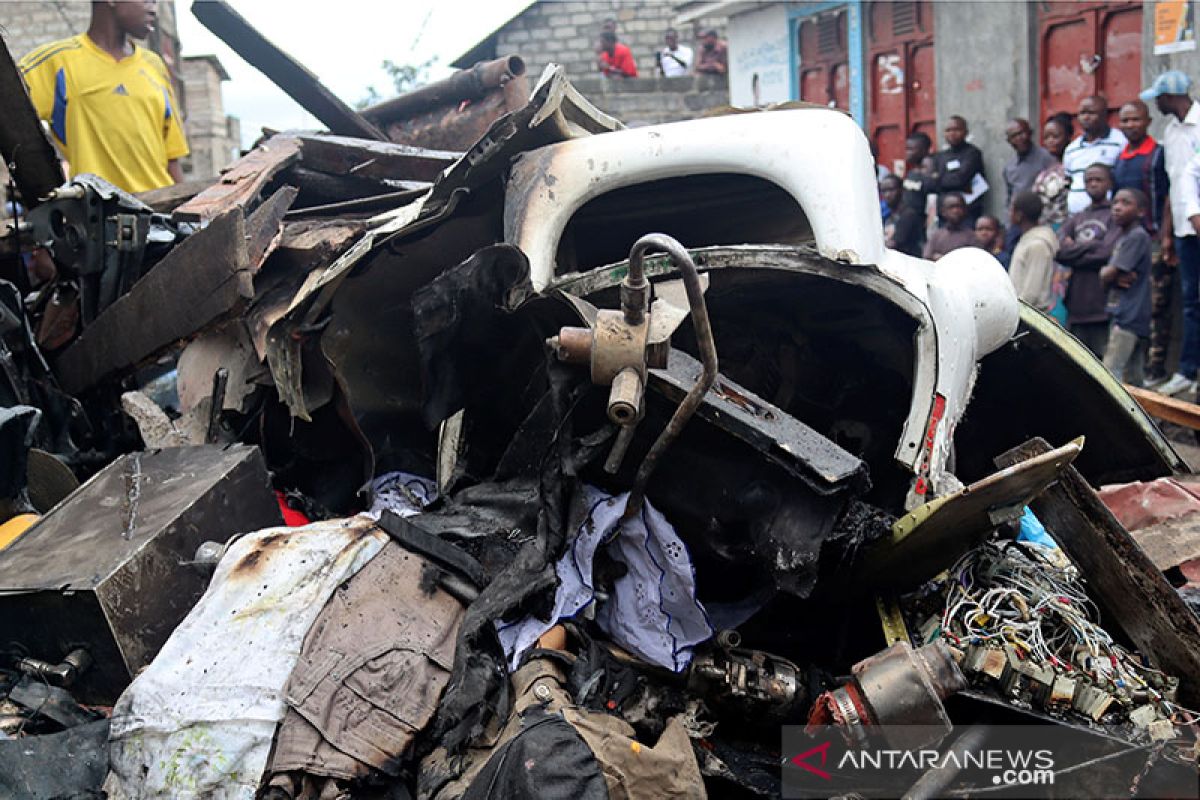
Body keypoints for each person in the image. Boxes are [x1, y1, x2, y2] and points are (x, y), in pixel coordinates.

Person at [17, 0, 187, 194]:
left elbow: (172, 157)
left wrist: (186, 215)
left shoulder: (154, 65)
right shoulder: (56, 63)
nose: (154, 9)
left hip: (158, 213)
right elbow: (9, 108)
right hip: (99, 215)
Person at [1142, 71, 1200, 396]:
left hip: (1197, 221)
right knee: (1191, 302)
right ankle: (1188, 371)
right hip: (1183, 229)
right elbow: (1173, 188)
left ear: (1172, 96)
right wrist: (1168, 234)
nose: (1157, 104)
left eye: (1159, 98)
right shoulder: (1170, 131)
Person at [1112, 100, 1171, 383]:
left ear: (1147, 122)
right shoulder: (1120, 158)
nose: (1129, 125)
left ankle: (1154, 368)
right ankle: (1132, 371)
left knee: (1155, 304)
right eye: (1124, 120)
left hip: (1152, 241)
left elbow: (1167, 197)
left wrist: (1165, 235)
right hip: (1128, 242)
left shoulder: (1157, 154)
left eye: (1135, 120)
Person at [1058, 163, 1122, 356]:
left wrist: (1075, 249)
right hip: (1076, 304)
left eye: (1098, 180)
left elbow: (1107, 252)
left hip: (1101, 304)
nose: (1093, 184)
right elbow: (1059, 252)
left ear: (1110, 183)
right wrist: (1093, 245)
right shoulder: (1077, 217)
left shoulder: (1115, 216)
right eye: (1089, 180)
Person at [1100, 188, 1154, 386]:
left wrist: (1107, 274)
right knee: (1133, 376)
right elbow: (1109, 274)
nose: (1117, 208)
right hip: (1127, 313)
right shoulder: (1124, 237)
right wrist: (1109, 274)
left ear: (1140, 211)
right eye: (1115, 203)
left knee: (1110, 374)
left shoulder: (1136, 237)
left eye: (1125, 203)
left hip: (1128, 315)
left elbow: (1109, 273)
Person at [1062, 95, 1127, 215]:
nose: (1086, 117)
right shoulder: (1071, 149)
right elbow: (1069, 181)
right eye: (1082, 113)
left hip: (1108, 217)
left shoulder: (1120, 142)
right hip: (1076, 217)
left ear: (1105, 115)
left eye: (1091, 113)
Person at [1008, 192, 1060, 312]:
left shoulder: (1038, 245)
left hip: (1031, 317)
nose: (1009, 213)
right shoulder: (1026, 239)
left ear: (1019, 215)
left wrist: (1017, 312)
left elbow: (1032, 293)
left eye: (1012, 210)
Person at [931, 115, 987, 223]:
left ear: (966, 132)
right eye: (948, 130)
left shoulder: (972, 153)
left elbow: (959, 180)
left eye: (956, 129)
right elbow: (931, 183)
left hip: (967, 212)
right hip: (945, 214)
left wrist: (939, 178)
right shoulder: (940, 156)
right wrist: (945, 179)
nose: (952, 133)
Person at [1003, 118, 1057, 208]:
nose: (1019, 139)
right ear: (1009, 141)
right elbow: (1009, 200)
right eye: (1014, 136)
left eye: (1021, 133)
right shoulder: (1009, 168)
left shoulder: (1047, 159)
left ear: (1030, 133)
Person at [1033, 113, 1073, 229]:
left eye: (1055, 137)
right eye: (1046, 137)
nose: (1050, 141)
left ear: (1068, 136)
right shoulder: (1046, 170)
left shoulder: (1071, 168)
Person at [923, 193, 976, 260]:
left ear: (965, 210)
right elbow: (927, 256)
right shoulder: (937, 235)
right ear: (943, 212)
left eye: (959, 207)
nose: (955, 211)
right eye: (951, 207)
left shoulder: (972, 236)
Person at [880, 175, 923, 257]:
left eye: (891, 190)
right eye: (884, 191)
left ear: (901, 190)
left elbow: (894, 244)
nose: (887, 195)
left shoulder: (908, 215)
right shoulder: (887, 216)